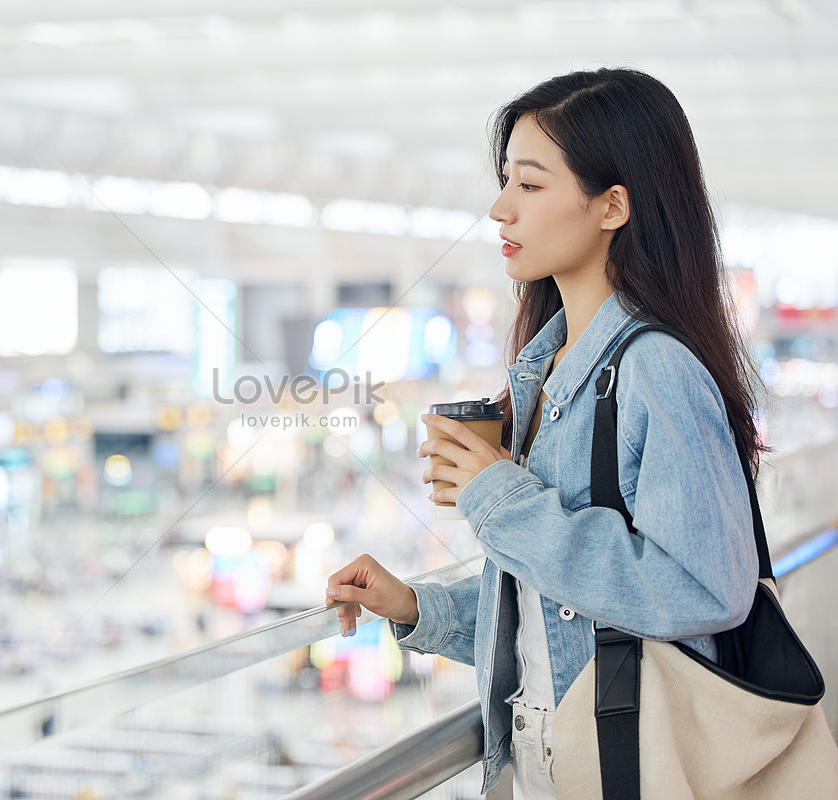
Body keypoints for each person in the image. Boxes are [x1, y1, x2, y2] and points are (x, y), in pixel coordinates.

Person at [324, 67, 761, 799]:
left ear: (612, 206)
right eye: (504, 182)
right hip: (546, 762)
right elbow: (554, 612)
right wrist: (415, 607)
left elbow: (701, 590)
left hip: (628, 767)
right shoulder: (544, 373)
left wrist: (500, 495)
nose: (499, 209)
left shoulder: (654, 370)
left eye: (529, 185)